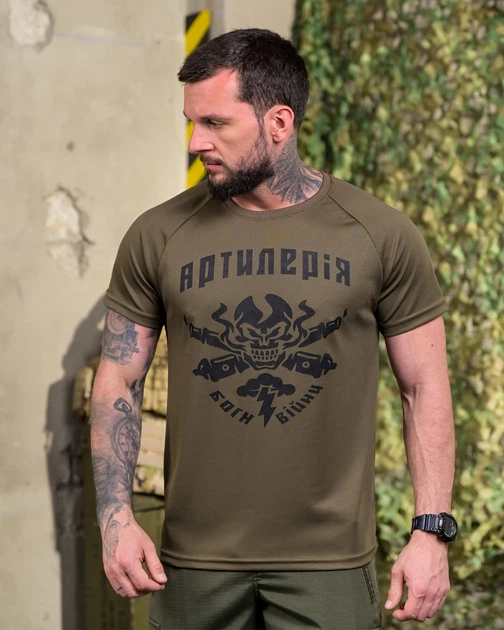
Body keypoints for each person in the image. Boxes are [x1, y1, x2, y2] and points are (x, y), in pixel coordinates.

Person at [90, 28, 457, 629]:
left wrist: (431, 531)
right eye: (191, 122)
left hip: (330, 565)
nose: (195, 142)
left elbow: (424, 387)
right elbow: (117, 380)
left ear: (279, 122)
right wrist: (115, 519)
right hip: (191, 563)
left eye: (215, 123)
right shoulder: (156, 235)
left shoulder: (380, 234)